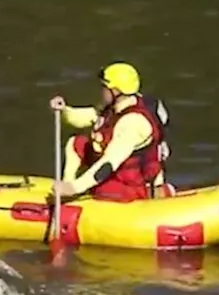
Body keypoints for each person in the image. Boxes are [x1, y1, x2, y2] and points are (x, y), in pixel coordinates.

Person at [49, 62, 173, 201]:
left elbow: (109, 163)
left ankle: (161, 192)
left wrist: (75, 188)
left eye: (104, 87)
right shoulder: (114, 106)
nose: (101, 90)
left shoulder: (133, 122)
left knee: (104, 191)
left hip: (134, 183)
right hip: (117, 172)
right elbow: (86, 117)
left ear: (115, 91)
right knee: (77, 143)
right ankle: (65, 188)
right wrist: (64, 110)